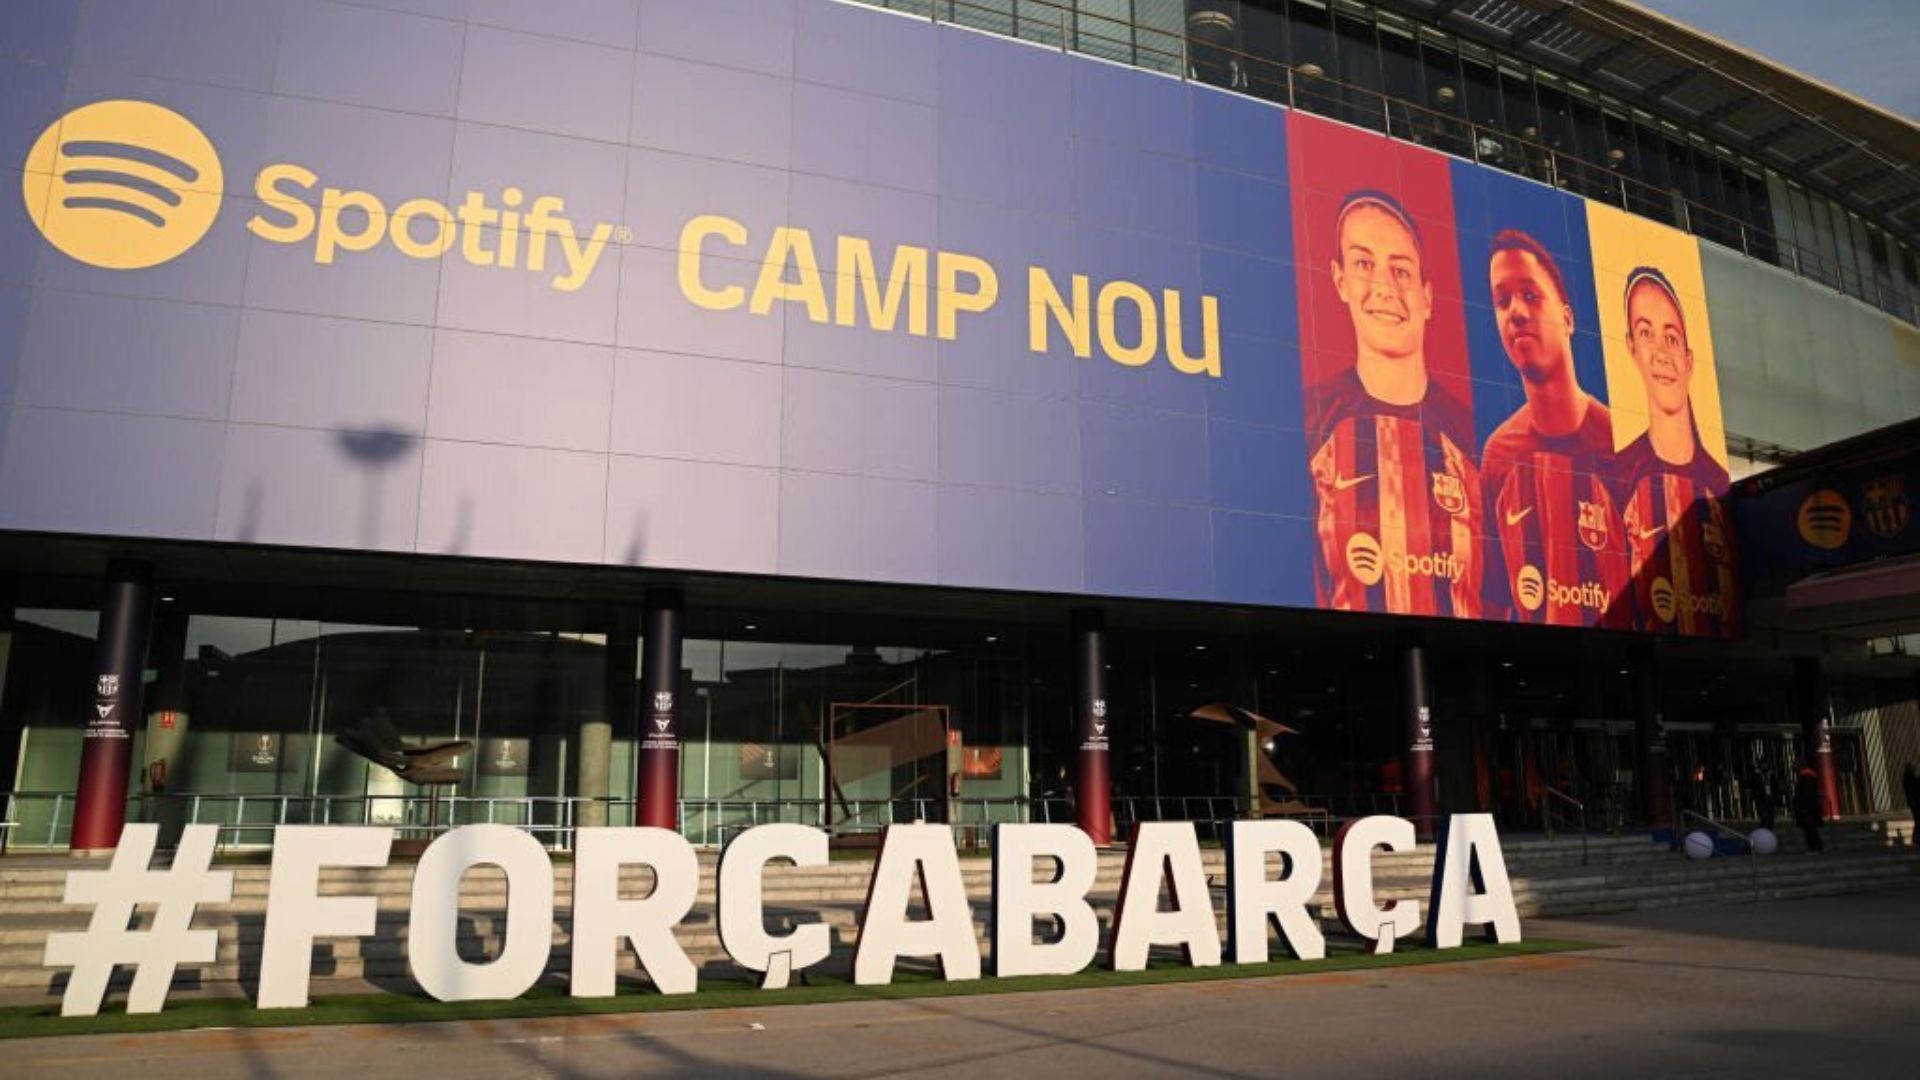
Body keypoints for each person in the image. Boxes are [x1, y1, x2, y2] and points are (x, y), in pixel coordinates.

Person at [1306, 190, 1481, 618]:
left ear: (1426, 296)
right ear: (1340, 279)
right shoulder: (1310, 421)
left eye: (1400, 270)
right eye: (1364, 264)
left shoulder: (1471, 435)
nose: (1384, 287)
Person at [1478, 230, 1630, 628]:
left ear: (1567, 318)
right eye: (1501, 300)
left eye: (1530, 295)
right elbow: (1494, 596)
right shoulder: (1499, 454)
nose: (1516, 312)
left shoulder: (1621, 441)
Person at [1613, 267, 1737, 636]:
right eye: (1646, 333)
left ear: (1689, 358)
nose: (1662, 353)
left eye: (1672, 337)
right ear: (1631, 347)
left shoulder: (1718, 483)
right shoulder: (1619, 475)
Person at [1793, 765, 1825, 854]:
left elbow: (1805, 795)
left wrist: (1803, 807)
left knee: (1809, 829)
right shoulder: (1809, 777)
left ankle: (1814, 847)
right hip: (1810, 808)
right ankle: (1816, 846)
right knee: (1810, 829)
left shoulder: (1805, 778)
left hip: (1807, 809)